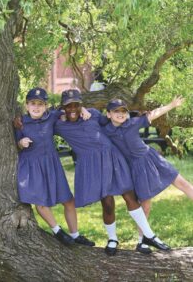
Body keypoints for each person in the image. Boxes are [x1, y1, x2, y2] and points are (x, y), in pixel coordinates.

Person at [54, 89, 170, 255]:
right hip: (94, 167)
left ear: (82, 105)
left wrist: (85, 110)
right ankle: (112, 238)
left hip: (113, 158)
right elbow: (45, 115)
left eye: (76, 105)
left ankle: (149, 235)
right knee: (107, 204)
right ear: (63, 108)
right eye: (68, 106)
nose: (73, 109)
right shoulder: (59, 124)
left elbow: (113, 122)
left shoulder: (93, 114)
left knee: (129, 196)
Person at [102, 97, 193, 252]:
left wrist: (171, 105)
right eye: (116, 111)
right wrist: (83, 111)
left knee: (183, 184)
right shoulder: (105, 130)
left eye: (123, 111)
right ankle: (142, 241)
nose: (120, 114)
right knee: (144, 203)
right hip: (135, 168)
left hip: (151, 158)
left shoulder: (133, 123)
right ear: (109, 114)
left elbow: (154, 114)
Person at [14, 87, 95, 247]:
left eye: (40, 104)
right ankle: (58, 231)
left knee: (69, 201)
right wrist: (21, 142)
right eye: (33, 104)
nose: (36, 107)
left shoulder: (52, 117)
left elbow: (69, 109)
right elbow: (15, 144)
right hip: (32, 167)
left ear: (46, 106)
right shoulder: (21, 123)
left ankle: (75, 234)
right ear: (27, 105)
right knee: (41, 203)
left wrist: (84, 108)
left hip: (52, 165)